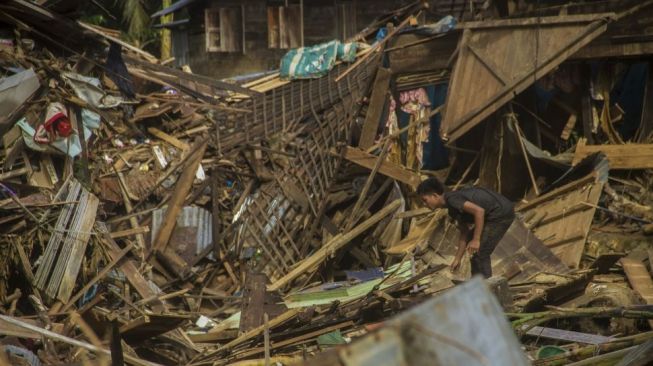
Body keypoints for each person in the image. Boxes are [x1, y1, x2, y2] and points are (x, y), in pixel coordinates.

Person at [417, 178, 515, 278]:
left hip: (500, 213)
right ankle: (477, 283)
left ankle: (488, 288)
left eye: (425, 200)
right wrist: (457, 258)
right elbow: (464, 232)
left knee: (481, 253)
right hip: (493, 214)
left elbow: (479, 212)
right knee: (474, 252)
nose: (425, 204)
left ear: (434, 196)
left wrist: (476, 240)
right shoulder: (452, 209)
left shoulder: (452, 200)